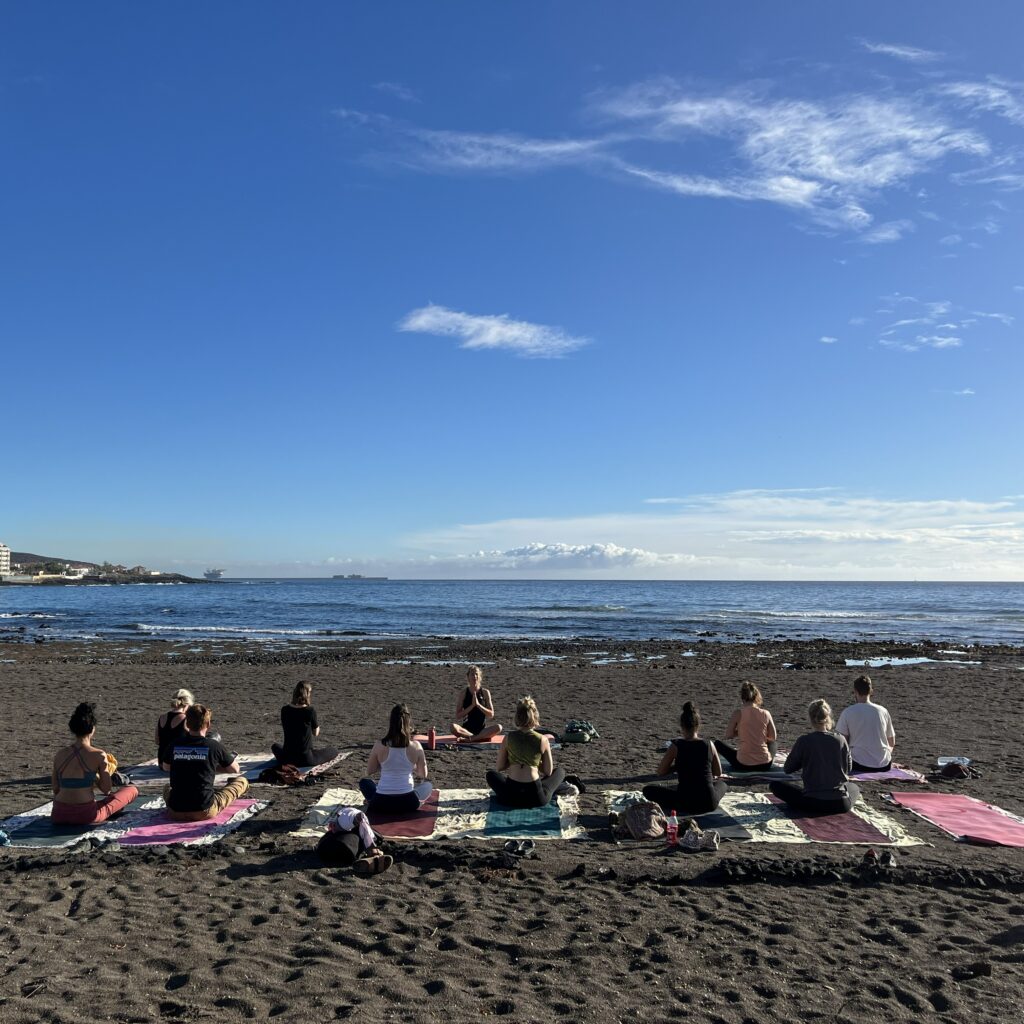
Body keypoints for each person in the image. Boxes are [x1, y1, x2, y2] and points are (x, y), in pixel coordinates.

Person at [51, 703, 140, 825]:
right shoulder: (98, 755)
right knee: (131, 790)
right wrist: (95, 778)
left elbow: (56, 789)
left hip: (58, 814)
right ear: (92, 729)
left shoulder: (60, 754)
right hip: (87, 815)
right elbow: (106, 789)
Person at [769, 699, 861, 816]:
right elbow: (848, 768)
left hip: (812, 802)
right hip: (840, 803)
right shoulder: (840, 739)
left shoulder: (804, 741)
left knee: (775, 785)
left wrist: (802, 760)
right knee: (854, 787)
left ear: (811, 718)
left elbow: (788, 769)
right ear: (828, 717)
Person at [164, 704, 249, 822]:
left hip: (175, 811)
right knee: (242, 781)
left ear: (187, 724)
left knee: (167, 788)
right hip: (204, 810)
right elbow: (235, 769)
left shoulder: (175, 744)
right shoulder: (213, 746)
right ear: (208, 724)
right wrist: (212, 766)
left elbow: (166, 767)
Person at [643, 701, 727, 816]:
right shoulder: (709, 744)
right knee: (722, 784)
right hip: (708, 803)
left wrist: (677, 767)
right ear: (698, 725)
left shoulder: (676, 746)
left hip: (685, 802)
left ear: (682, 727)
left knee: (648, 790)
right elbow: (718, 772)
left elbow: (660, 772)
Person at [486, 696, 566, 808]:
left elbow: (500, 767)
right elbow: (548, 772)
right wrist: (534, 761)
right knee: (560, 772)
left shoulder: (509, 737)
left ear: (517, 717)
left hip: (510, 796)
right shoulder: (542, 739)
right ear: (535, 716)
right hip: (535, 797)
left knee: (491, 775)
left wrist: (514, 759)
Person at [359, 704, 433, 813]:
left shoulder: (379, 745)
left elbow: (370, 770)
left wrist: (384, 765)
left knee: (364, 782)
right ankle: (418, 802)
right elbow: (423, 774)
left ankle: (370, 801)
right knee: (428, 785)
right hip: (408, 803)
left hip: (380, 802)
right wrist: (411, 767)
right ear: (408, 722)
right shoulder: (416, 746)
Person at [836, 675, 896, 774]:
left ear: (855, 691)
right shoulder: (883, 711)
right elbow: (892, 742)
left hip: (859, 764)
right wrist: (886, 753)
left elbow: (842, 742)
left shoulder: (848, 712)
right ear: (871, 691)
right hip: (884, 765)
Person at [713, 681, 778, 772]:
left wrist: (740, 731)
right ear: (756, 697)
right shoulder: (766, 713)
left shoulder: (738, 713)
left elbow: (728, 735)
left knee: (717, 744)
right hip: (765, 765)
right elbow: (773, 737)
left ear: (742, 698)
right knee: (773, 744)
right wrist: (758, 732)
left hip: (742, 765)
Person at [272, 681, 339, 767]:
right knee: (333, 750)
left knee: (275, 746)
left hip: (287, 758)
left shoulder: (284, 710)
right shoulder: (310, 711)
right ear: (307, 694)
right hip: (305, 759)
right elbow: (315, 733)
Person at [316, 806, 393, 876]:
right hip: (344, 848)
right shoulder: (365, 830)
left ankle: (370, 856)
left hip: (343, 849)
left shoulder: (345, 824)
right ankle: (372, 854)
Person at [451, 666, 503, 742]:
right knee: (453, 727)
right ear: (468, 677)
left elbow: (491, 714)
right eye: (472, 674)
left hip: (481, 730)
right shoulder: (463, 693)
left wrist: (478, 705)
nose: (474, 676)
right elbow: (458, 715)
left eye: (476, 674)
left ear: (479, 677)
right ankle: (475, 737)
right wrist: (472, 706)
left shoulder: (485, 692)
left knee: (499, 727)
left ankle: (472, 739)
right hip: (466, 730)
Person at [155, 688, 194, 771]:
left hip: (162, 763)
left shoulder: (162, 717)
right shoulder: (186, 719)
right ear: (187, 704)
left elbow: (157, 741)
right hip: (178, 763)